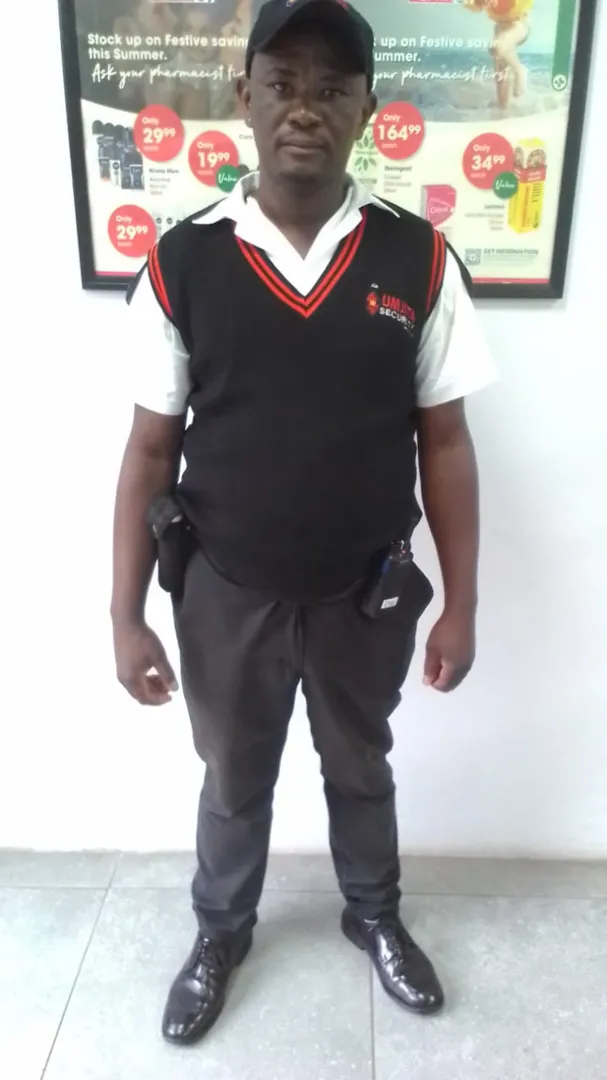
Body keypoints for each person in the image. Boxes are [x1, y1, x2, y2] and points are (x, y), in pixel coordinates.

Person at [112, 0, 496, 1048]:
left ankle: (373, 913)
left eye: (333, 88)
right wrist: (125, 616)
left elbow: (446, 443)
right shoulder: (183, 262)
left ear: (366, 107)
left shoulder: (417, 260)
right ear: (245, 96)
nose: (305, 108)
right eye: (283, 83)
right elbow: (148, 452)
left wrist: (462, 606)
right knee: (234, 777)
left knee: (360, 765)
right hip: (224, 589)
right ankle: (219, 933)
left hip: (363, 590)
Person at [463, 0, 532, 110]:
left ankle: (519, 70)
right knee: (499, 67)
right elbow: (471, 5)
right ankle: (503, 109)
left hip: (519, 24)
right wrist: (479, 3)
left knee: (497, 46)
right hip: (500, 27)